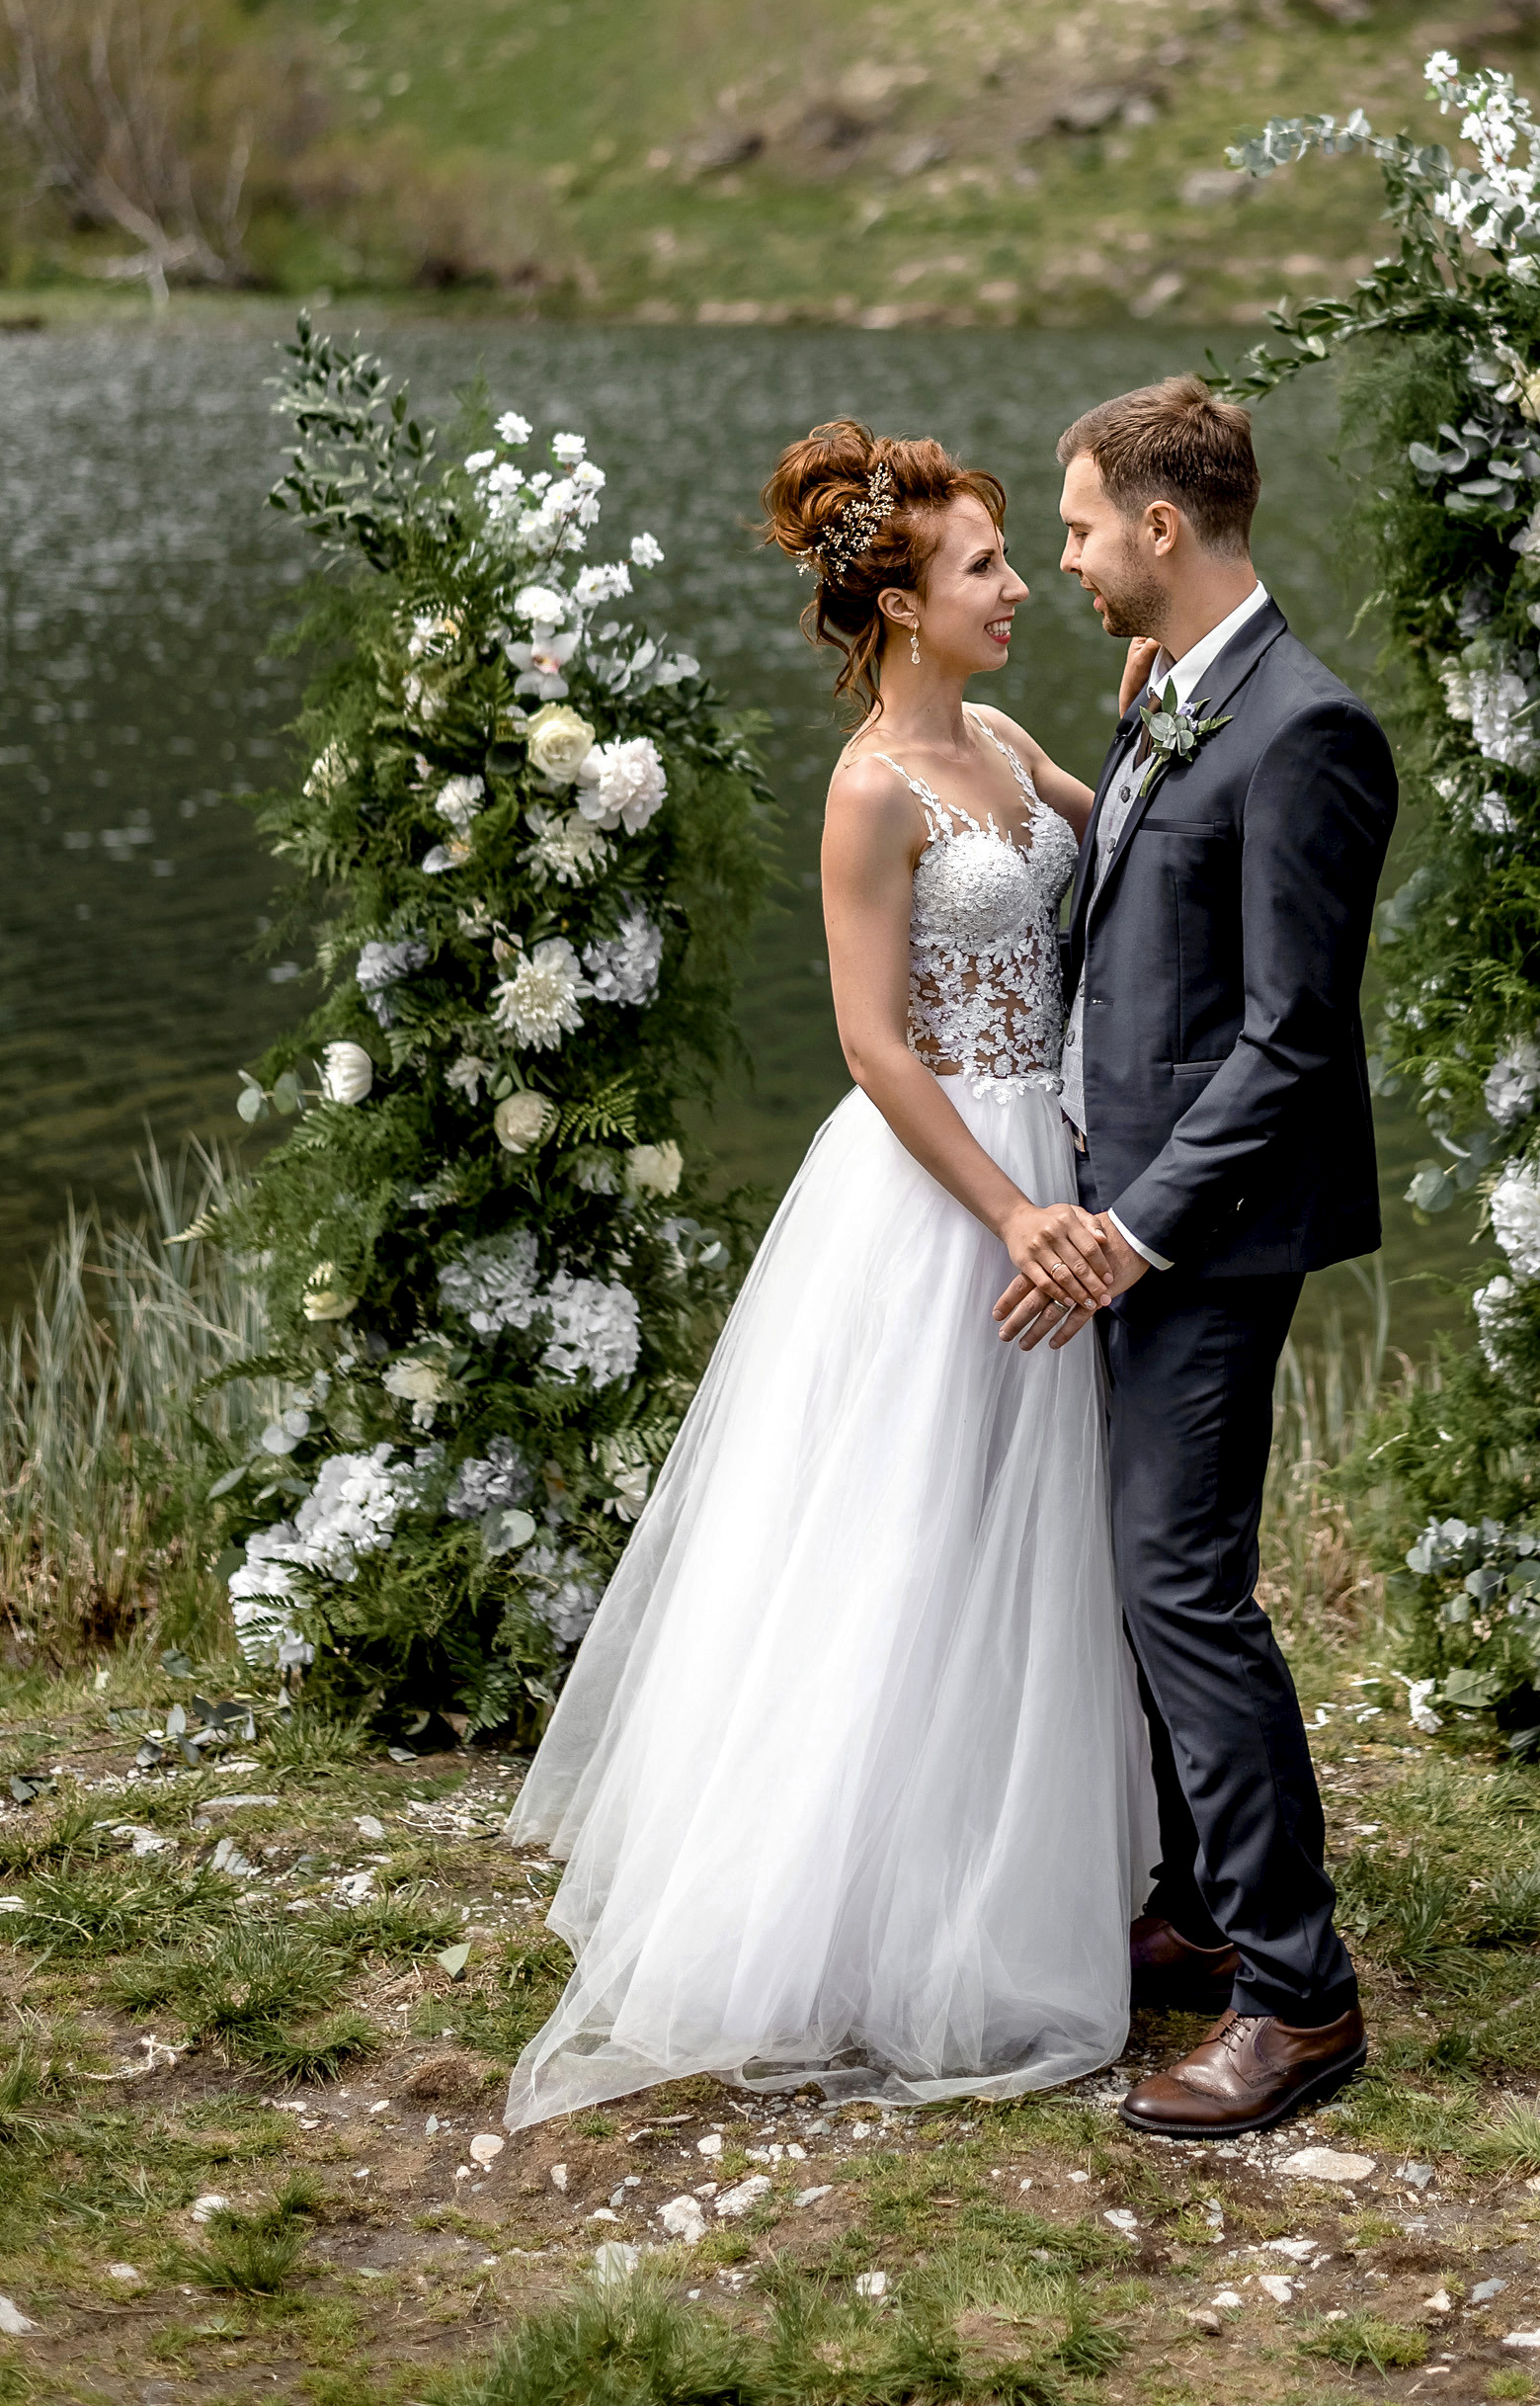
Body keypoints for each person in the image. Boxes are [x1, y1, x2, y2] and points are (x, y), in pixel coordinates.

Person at [503, 422, 1155, 2122]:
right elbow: (874, 1045)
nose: (1017, 589)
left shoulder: (1008, 740)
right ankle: (857, 1921)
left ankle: (1013, 1888)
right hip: (944, 1188)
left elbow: (1143, 846)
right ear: (897, 605)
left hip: (1059, 1159)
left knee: (1031, 1542)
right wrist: (1013, 1215)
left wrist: (1169, 687)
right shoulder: (874, 791)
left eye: (1018, 557)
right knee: (908, 1535)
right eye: (984, 569)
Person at [1007, 375, 1399, 2143]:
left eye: (1081, 524)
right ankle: (1197, 1902)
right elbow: (1152, 936)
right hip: (1131, 1210)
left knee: (1184, 1586)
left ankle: (1297, 1997)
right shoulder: (1180, 695)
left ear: (1164, 530)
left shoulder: (1307, 730)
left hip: (1205, 1236)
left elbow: (1293, 1039)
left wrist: (1136, 1235)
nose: (1066, 556)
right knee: (1140, 1566)